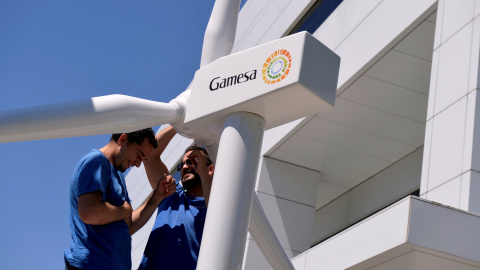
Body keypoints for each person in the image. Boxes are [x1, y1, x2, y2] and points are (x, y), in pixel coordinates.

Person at [64, 127, 177, 270]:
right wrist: (123, 211)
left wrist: (157, 197)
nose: (138, 164)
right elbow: (89, 212)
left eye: (143, 159)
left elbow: (127, 226)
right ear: (123, 140)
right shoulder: (96, 162)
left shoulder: (117, 174)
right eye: (138, 155)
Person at [138, 125, 215, 270]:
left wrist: (203, 172)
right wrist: (178, 125)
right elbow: (149, 155)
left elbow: (218, 220)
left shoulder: (217, 203)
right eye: (182, 164)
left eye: (192, 161)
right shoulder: (170, 195)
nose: (185, 167)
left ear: (210, 169)